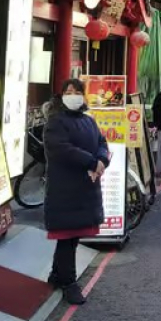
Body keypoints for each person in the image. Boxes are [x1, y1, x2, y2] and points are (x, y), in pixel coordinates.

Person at [43, 79, 111, 305]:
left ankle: (56, 275)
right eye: (68, 92)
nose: (72, 95)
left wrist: (101, 160)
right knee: (67, 236)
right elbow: (62, 150)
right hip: (65, 187)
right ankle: (68, 283)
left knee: (71, 237)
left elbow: (102, 142)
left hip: (85, 186)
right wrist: (91, 162)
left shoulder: (89, 121)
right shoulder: (55, 122)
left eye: (76, 92)